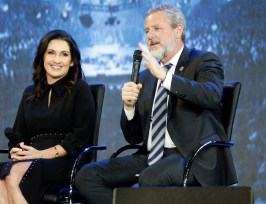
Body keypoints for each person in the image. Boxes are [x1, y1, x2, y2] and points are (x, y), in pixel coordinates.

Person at [75, 4, 238, 204]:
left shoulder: (204, 60)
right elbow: (133, 137)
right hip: (150, 156)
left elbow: (211, 95)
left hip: (191, 156)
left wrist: (165, 76)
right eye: (147, 30)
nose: (150, 35)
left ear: (178, 30)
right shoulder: (145, 76)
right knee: (86, 176)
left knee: (150, 177)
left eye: (157, 29)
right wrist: (128, 108)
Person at [0, 29, 95, 204]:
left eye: (64, 55)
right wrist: (17, 149)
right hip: (32, 157)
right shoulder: (29, 93)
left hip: (66, 158)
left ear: (72, 62)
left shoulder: (80, 89)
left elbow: (80, 137)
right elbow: (19, 133)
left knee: (13, 176)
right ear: (43, 57)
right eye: (51, 53)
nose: (56, 60)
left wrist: (42, 154)